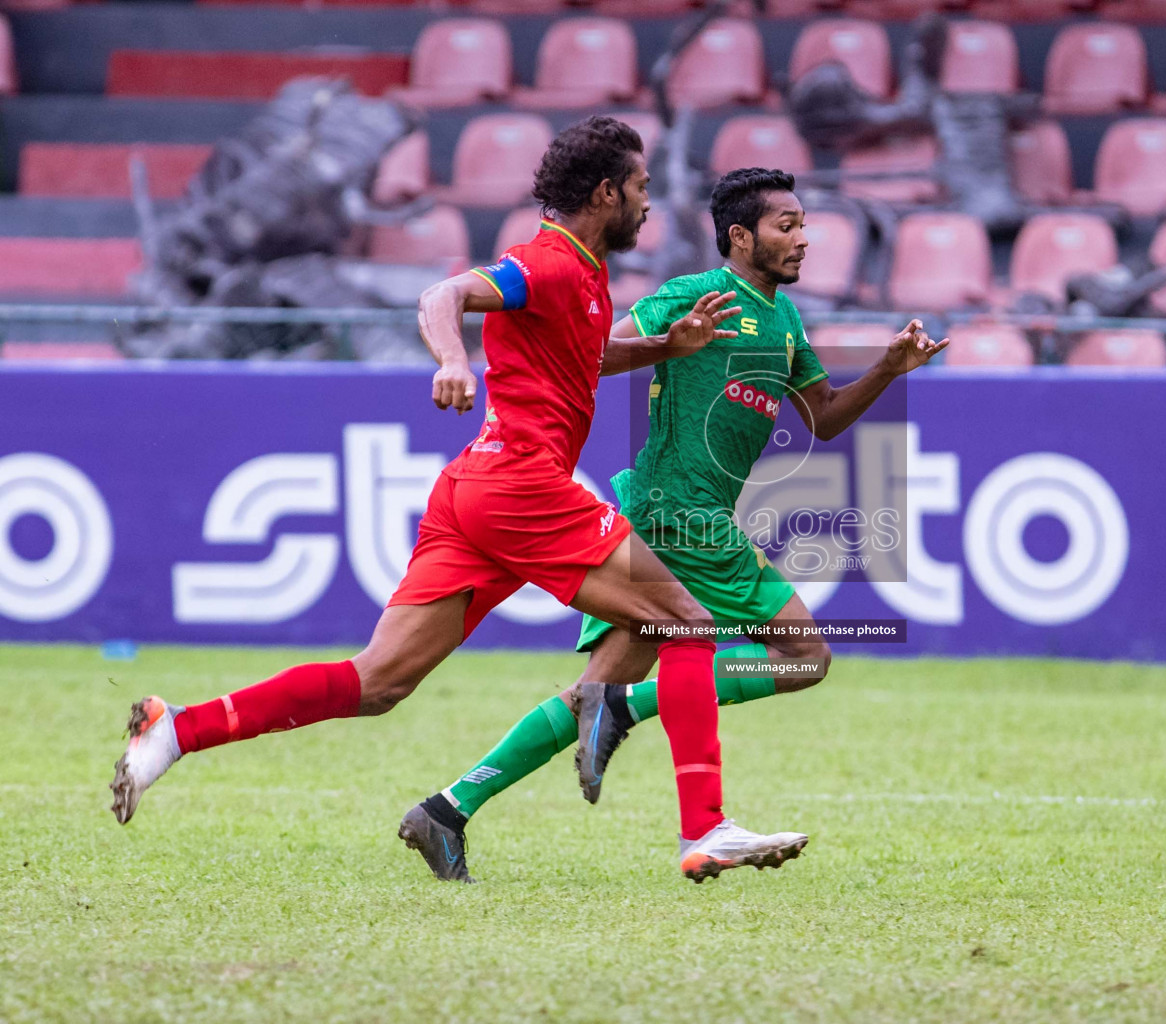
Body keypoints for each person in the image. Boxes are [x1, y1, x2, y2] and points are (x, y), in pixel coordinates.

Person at [110, 117, 809, 885]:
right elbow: (446, 292)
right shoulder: (543, 261)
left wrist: (660, 349)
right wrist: (452, 360)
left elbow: (585, 356)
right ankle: (704, 828)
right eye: (641, 188)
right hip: (524, 486)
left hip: (475, 492)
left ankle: (175, 731)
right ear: (607, 192)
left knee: (379, 682)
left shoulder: (581, 272)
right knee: (684, 621)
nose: (649, 204)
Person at [402, 167, 947, 882]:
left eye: (804, 225)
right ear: (741, 236)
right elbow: (592, 352)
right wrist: (664, 345)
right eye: (787, 225)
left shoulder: (783, 321)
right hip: (676, 514)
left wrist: (886, 369)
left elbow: (825, 417)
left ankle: (446, 810)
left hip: (692, 516)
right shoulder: (694, 294)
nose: (804, 239)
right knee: (804, 656)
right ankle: (638, 724)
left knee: (594, 692)